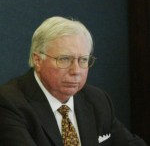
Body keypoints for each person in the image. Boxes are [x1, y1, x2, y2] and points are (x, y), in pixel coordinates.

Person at [0, 16, 147, 146]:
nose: (76, 71)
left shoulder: (97, 100)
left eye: (83, 60)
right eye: (64, 59)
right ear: (37, 60)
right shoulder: (9, 103)